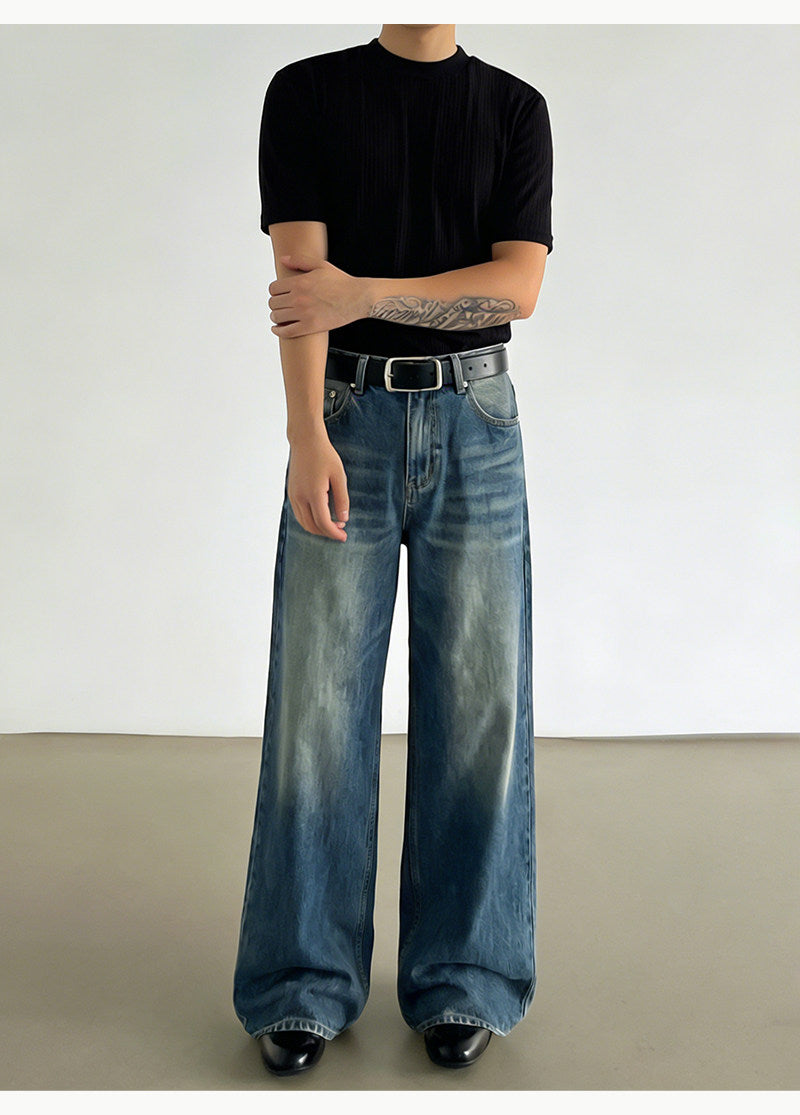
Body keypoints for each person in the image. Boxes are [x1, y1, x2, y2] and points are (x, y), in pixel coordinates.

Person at [232, 23, 553, 1076]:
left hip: (477, 418)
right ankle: (300, 981)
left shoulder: (513, 108)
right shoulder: (307, 92)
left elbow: (516, 288)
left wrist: (365, 293)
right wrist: (304, 434)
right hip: (345, 417)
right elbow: (300, 280)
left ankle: (466, 974)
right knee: (317, 704)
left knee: (479, 704)